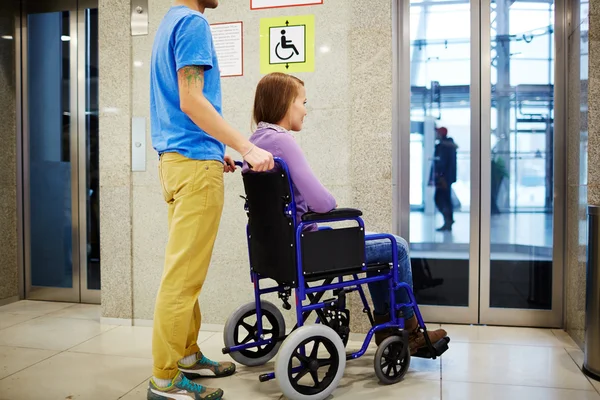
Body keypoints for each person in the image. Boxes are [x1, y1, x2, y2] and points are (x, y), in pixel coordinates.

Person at [245, 72, 447, 352]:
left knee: (375, 247)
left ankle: (389, 329)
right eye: (303, 102)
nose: (306, 110)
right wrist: (331, 200)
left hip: (273, 250)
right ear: (285, 103)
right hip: (306, 249)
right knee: (395, 246)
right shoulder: (282, 142)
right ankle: (409, 329)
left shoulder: (255, 143)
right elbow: (323, 204)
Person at [147, 1, 274, 399]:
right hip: (193, 168)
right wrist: (245, 145)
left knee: (187, 271)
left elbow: (174, 105)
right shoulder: (193, 22)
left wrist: (215, 147)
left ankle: (186, 355)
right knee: (182, 278)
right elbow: (191, 99)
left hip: (175, 160)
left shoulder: (169, 22)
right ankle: (165, 378)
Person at [428, 126, 458, 231]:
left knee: (440, 199)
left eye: (437, 133)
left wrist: (439, 177)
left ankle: (448, 220)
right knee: (445, 199)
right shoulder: (449, 145)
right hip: (446, 178)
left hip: (443, 178)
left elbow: (442, 163)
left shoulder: (443, 146)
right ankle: (448, 220)